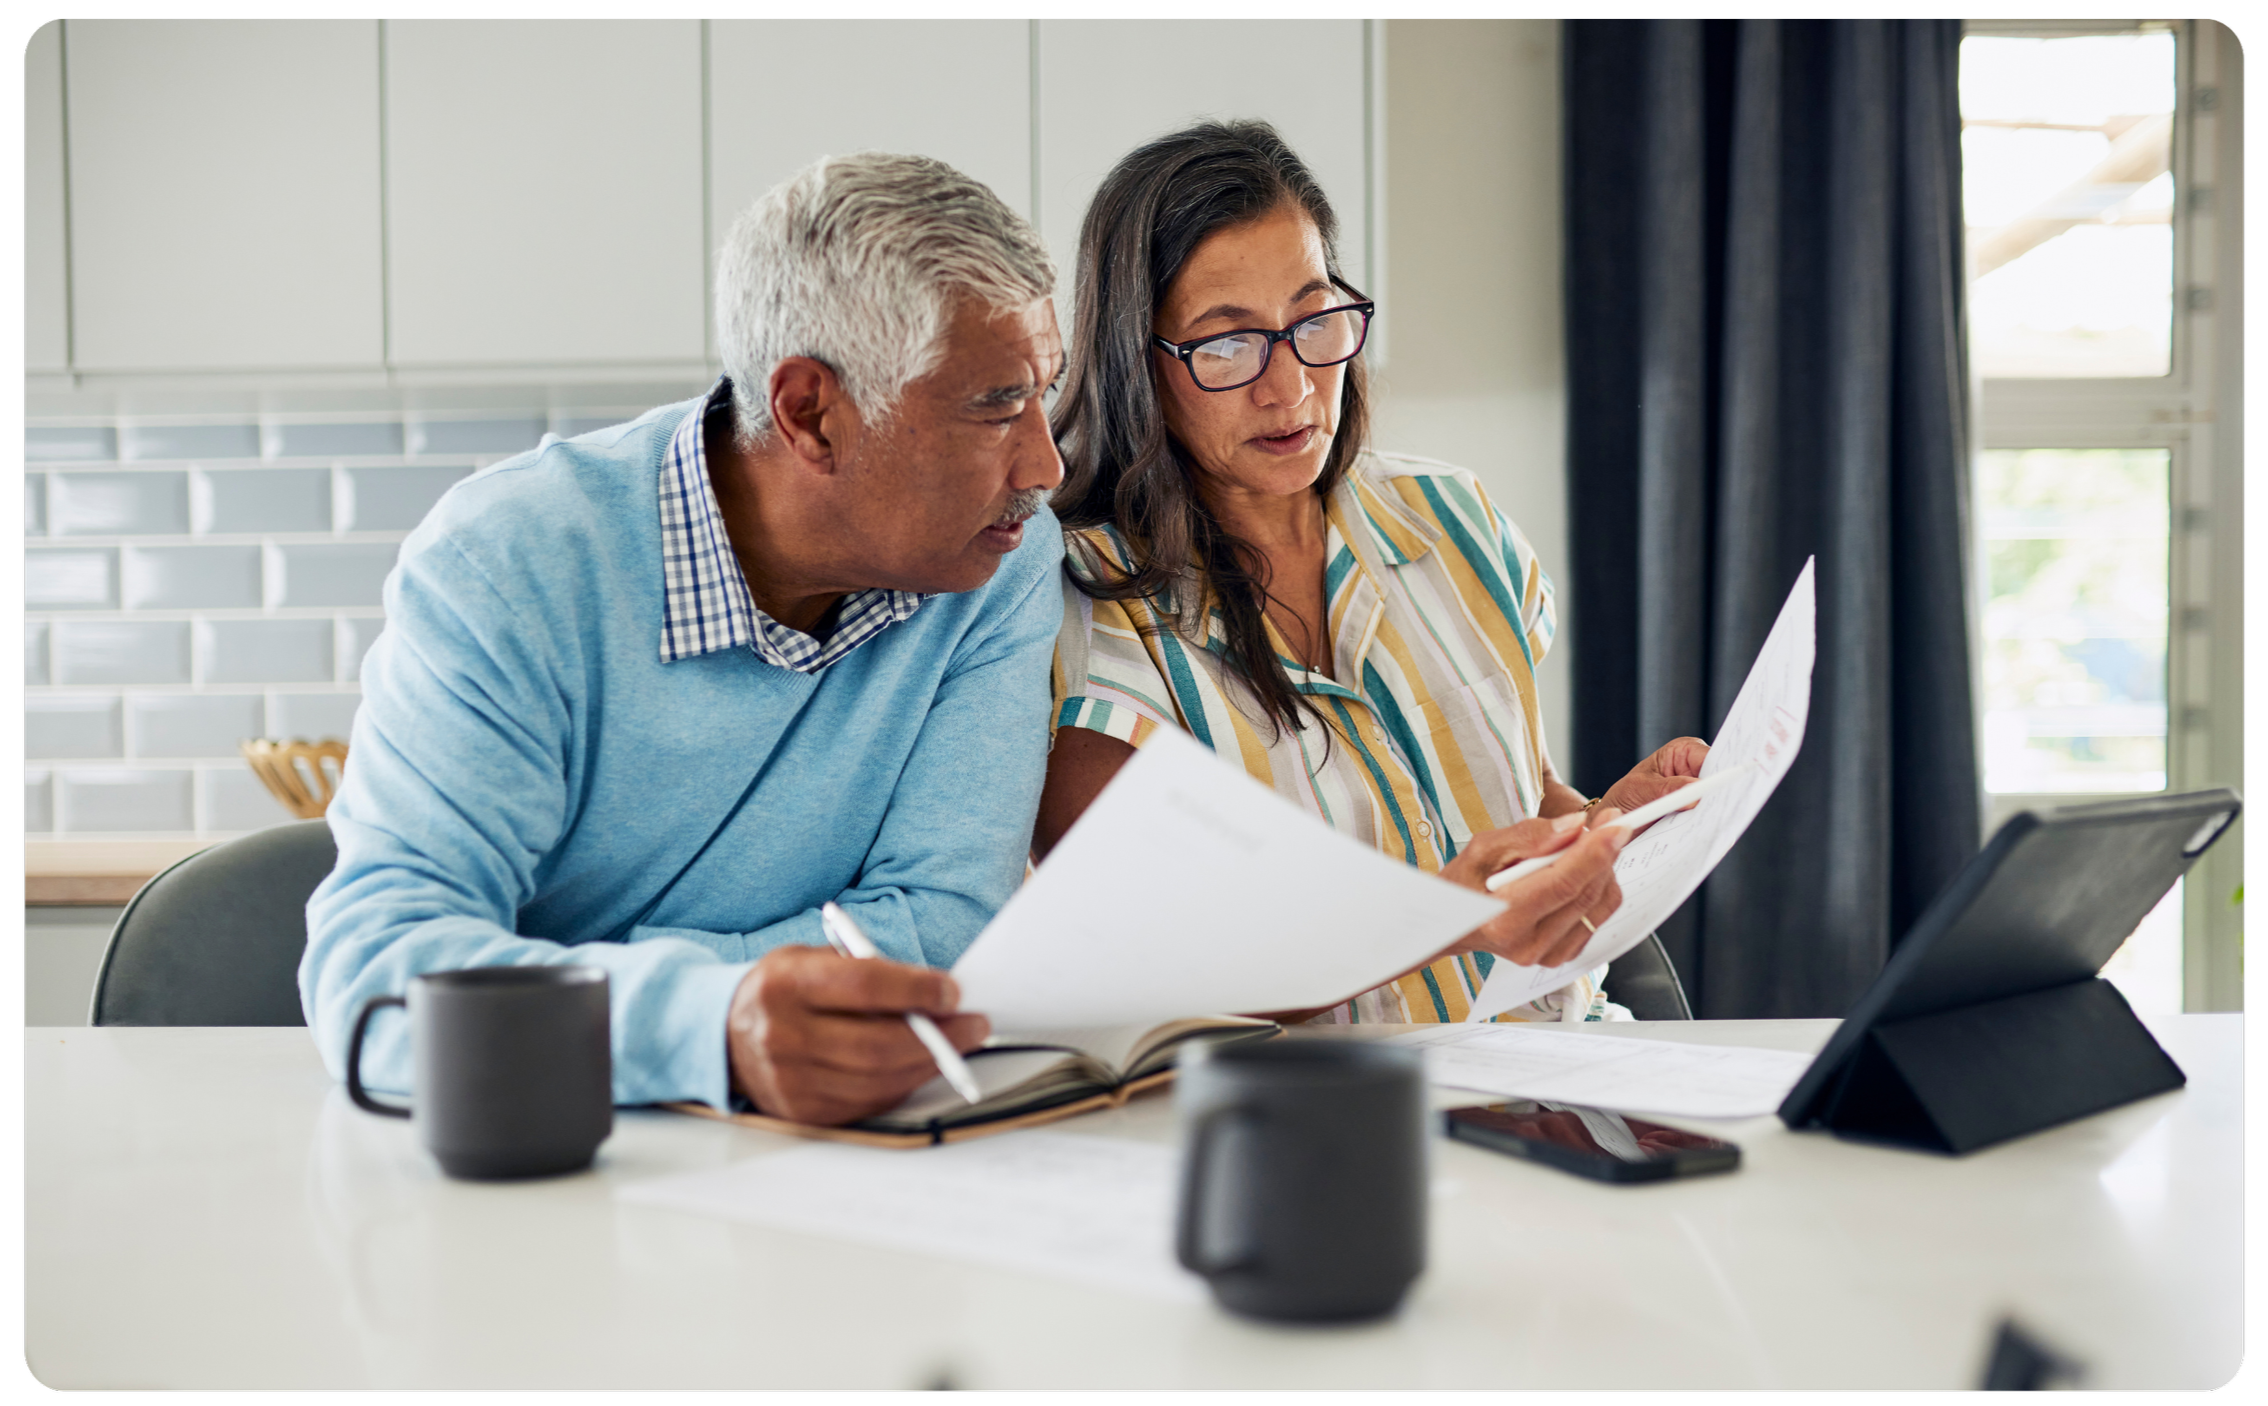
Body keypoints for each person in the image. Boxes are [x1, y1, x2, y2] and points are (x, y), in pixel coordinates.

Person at [305, 153, 1066, 1127]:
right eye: (997, 405)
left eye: (1045, 392)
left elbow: (944, 930)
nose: (1043, 462)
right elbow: (379, 972)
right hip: (548, 1151)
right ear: (811, 414)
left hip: (835, 1158)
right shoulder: (508, 564)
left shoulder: (998, 558)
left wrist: (599, 990)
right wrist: (711, 1024)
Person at [1037, 122, 1708, 1023]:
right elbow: (1157, 964)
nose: (1291, 389)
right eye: (1227, 345)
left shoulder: (1453, 519)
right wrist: (1447, 921)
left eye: (1313, 320)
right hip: (1326, 1126)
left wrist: (1603, 826)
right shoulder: (1078, 617)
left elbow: (1517, 790)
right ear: (1138, 363)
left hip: (1569, 1075)